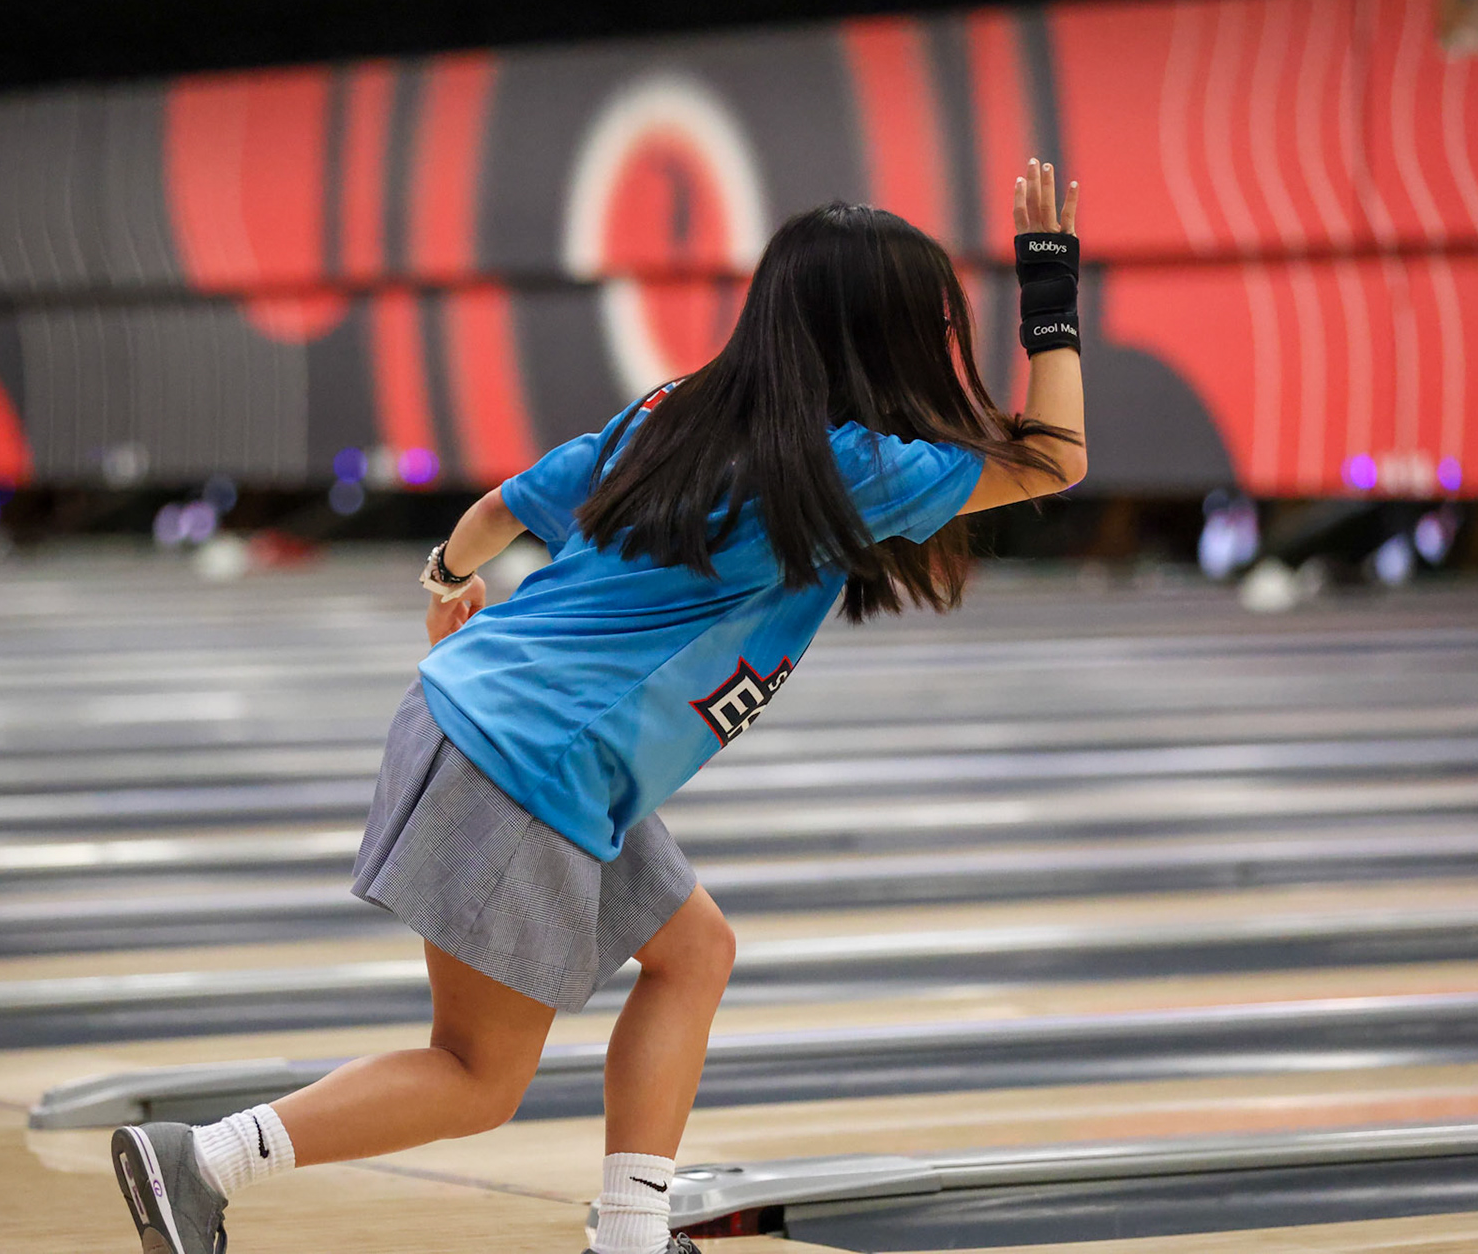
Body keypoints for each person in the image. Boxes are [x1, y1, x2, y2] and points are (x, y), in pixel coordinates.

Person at [111, 160, 1085, 1254]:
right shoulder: (846, 463)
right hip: (531, 763)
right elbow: (1056, 457)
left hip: (498, 730)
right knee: (477, 1074)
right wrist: (1050, 286)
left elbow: (495, 509)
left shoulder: (672, 411)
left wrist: (445, 580)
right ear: (895, 337)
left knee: (693, 950)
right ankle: (201, 1160)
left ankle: (630, 1229)